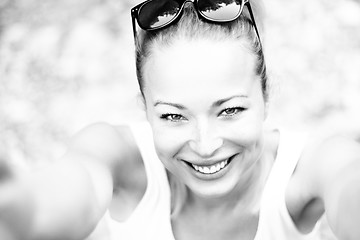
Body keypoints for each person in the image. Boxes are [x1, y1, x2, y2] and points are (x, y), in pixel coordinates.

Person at [1, 0, 360, 239]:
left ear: (265, 95)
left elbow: (349, 187)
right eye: (173, 115)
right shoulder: (119, 157)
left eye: (230, 110)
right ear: (145, 108)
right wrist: (21, 207)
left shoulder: (308, 170)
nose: (205, 146)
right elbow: (62, 197)